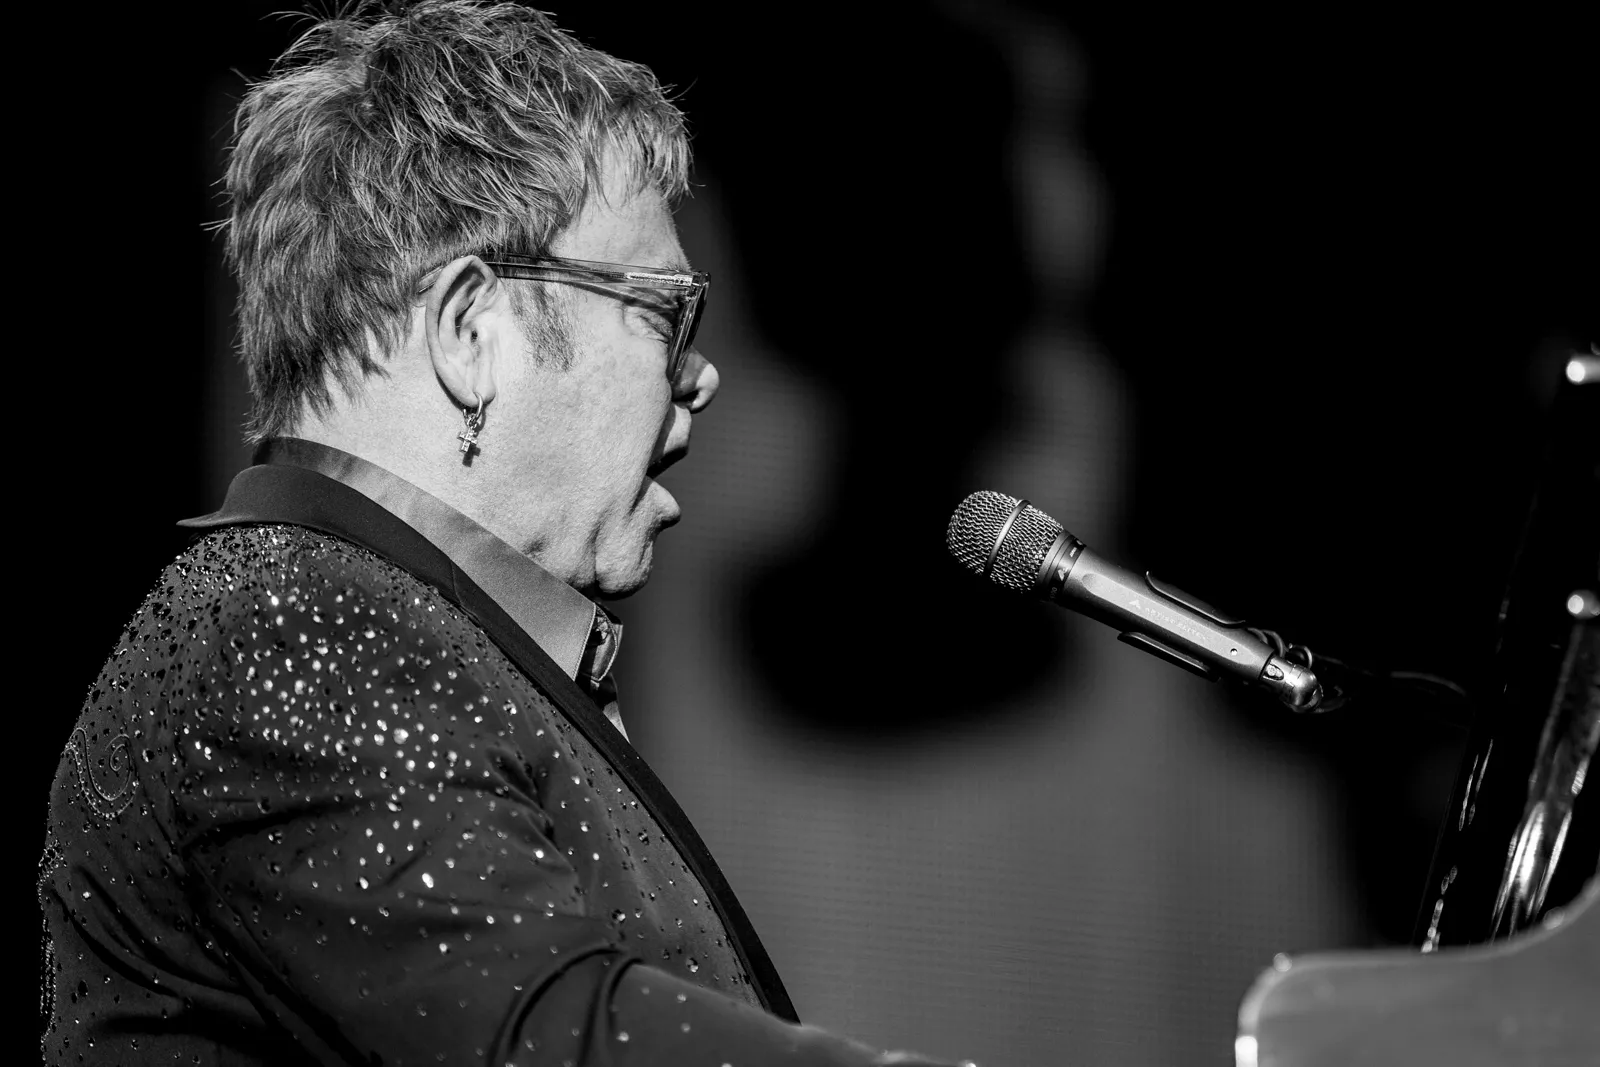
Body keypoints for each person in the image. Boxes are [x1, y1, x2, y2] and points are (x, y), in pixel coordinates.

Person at [37, 4, 969, 1064]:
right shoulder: (302, 621)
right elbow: (548, 1034)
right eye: (667, 311)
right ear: (471, 332)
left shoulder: (350, 616)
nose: (701, 376)